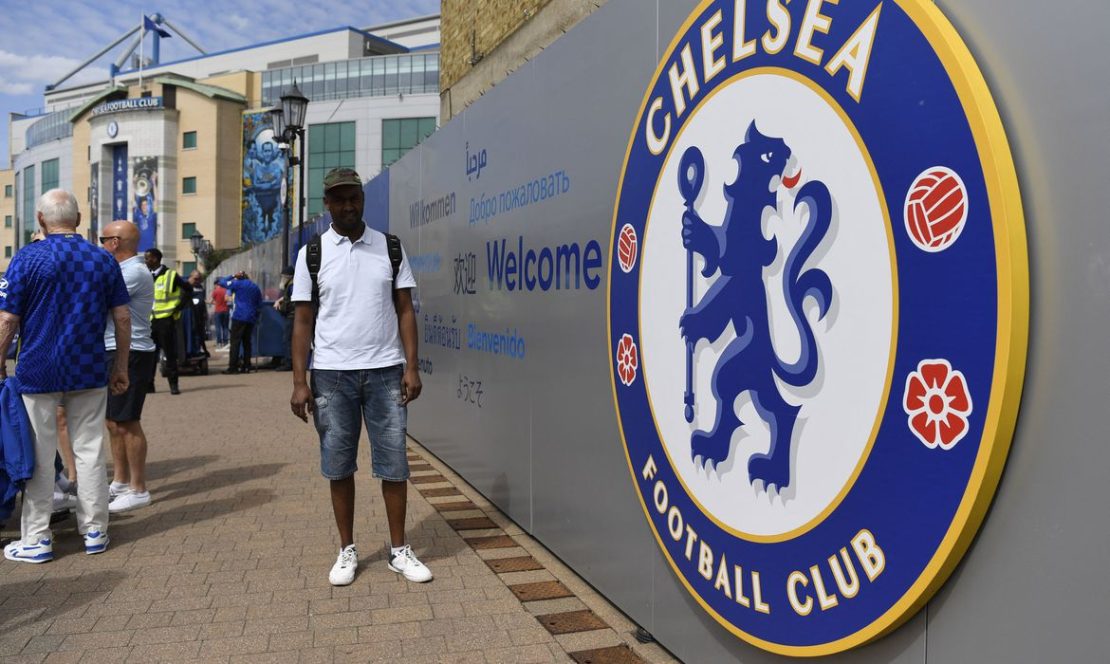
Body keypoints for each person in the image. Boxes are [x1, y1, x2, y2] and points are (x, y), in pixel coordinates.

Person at [289, 167, 428, 587]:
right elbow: (302, 321)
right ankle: (347, 549)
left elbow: (405, 309)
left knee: (394, 464)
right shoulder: (311, 253)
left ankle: (399, 550)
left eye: (354, 197)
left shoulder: (388, 247)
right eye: (339, 198)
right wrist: (299, 381)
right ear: (327, 204)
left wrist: (412, 365)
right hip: (331, 375)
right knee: (338, 466)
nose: (348, 205)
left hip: (386, 371)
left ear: (362, 200)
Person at [0, 189, 130, 563]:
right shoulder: (102, 260)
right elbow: (122, 317)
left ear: (40, 219)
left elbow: (8, 320)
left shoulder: (26, 259)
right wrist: (120, 366)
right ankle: (95, 531)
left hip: (38, 367)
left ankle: (38, 538)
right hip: (88, 366)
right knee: (89, 450)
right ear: (79, 218)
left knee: (39, 453)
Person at [100, 221, 157, 513]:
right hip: (115, 349)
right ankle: (121, 481)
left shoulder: (132, 272)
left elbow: (97, 301)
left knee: (127, 421)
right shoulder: (122, 270)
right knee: (113, 420)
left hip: (131, 352)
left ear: (115, 242)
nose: (100, 245)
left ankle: (138, 487)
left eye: (102, 239)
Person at [145, 248, 187, 395]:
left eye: (148, 258)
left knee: (170, 354)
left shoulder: (171, 275)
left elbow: (188, 290)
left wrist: (177, 309)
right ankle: (149, 385)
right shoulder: (146, 275)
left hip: (166, 321)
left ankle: (173, 385)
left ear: (155, 259)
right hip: (150, 321)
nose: (146, 261)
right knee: (150, 356)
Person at [217, 271, 262, 374]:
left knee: (235, 342)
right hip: (251, 317)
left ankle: (233, 367)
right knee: (247, 342)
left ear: (238, 278)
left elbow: (221, 282)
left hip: (239, 316)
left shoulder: (238, 284)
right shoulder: (255, 286)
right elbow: (259, 302)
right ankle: (247, 366)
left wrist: (232, 275)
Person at [273, 265, 295, 371]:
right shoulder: (291, 285)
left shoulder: (292, 286)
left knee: (287, 340)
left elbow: (292, 301)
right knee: (289, 340)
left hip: (291, 316)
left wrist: (282, 306)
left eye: (283, 276)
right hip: (292, 316)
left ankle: (288, 363)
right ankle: (289, 361)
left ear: (288, 276)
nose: (282, 279)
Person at [187, 270, 209, 357]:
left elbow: (202, 302)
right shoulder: (186, 287)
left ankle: (198, 350)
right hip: (190, 316)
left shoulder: (200, 287)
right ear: (190, 277)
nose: (197, 281)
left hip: (199, 316)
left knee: (200, 334)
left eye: (199, 279)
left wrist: (205, 313)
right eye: (195, 279)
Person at [211, 280, 229, 347]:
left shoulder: (215, 291)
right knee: (225, 327)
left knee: (218, 327)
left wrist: (206, 301)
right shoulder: (226, 290)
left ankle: (219, 342)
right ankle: (225, 342)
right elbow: (228, 300)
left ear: (216, 284)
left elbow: (211, 301)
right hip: (226, 310)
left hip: (218, 311)